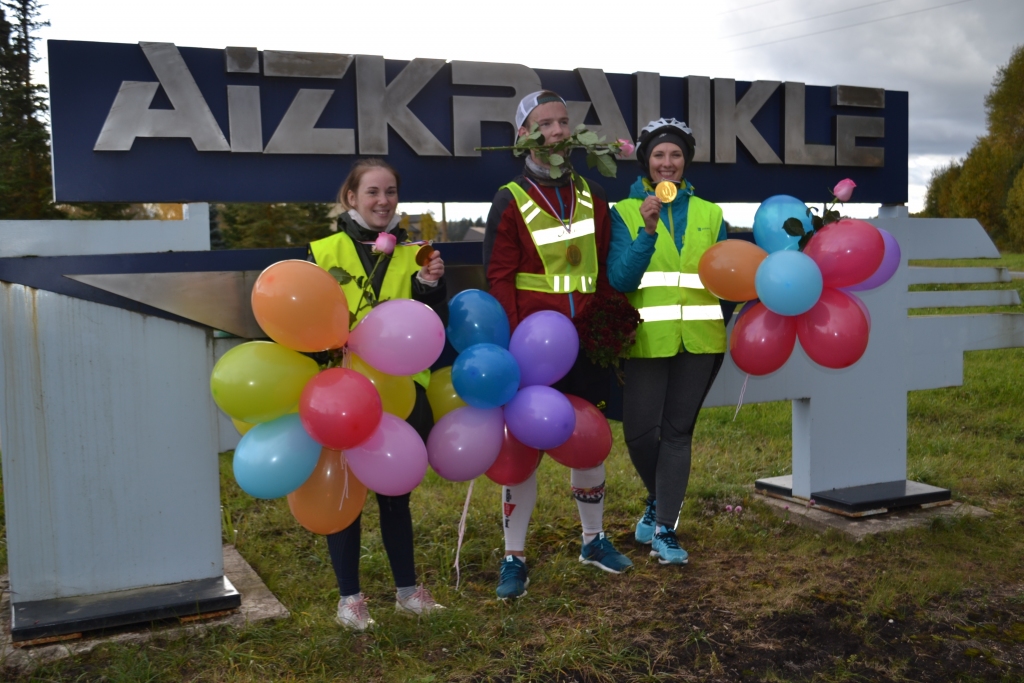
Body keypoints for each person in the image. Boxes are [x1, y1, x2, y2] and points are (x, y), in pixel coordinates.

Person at [483, 90, 633, 600]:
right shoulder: (510, 198)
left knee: (587, 439)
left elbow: (605, 268)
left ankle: (593, 540)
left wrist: (608, 324)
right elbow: (499, 278)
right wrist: (510, 345)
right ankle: (514, 556)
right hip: (533, 350)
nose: (557, 132)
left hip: (586, 343)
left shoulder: (593, 193)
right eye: (545, 124)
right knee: (522, 449)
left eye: (564, 122)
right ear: (523, 135)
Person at [308, 158, 447, 630]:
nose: (383, 201)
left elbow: (432, 325)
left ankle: (407, 591)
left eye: (390, 191)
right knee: (345, 492)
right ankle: (350, 599)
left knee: (395, 491)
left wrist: (430, 287)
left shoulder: (418, 253)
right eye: (372, 192)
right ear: (351, 197)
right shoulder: (322, 251)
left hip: (399, 392)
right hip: (342, 392)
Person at [607, 118, 728, 565]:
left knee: (677, 435)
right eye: (659, 154)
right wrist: (647, 231)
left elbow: (727, 277)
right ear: (646, 161)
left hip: (700, 341)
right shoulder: (624, 211)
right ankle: (660, 499)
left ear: (685, 161)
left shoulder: (711, 214)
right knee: (640, 434)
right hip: (647, 340)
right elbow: (621, 279)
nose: (667, 162)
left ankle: (665, 530)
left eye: (676, 154)